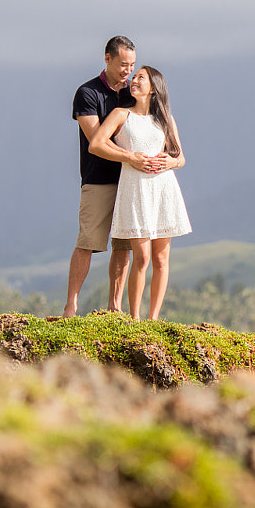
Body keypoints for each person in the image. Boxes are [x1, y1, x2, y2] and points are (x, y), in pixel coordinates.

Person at [87, 66, 190, 320]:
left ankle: (153, 318)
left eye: (140, 77)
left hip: (163, 189)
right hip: (135, 190)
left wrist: (170, 162)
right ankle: (135, 318)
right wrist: (129, 157)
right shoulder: (121, 114)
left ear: (154, 87)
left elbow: (181, 158)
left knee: (161, 258)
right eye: (134, 77)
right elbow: (96, 144)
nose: (133, 80)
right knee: (141, 257)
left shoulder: (164, 119)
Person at [62, 36, 155, 316]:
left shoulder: (133, 93)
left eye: (132, 65)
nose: (128, 71)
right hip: (97, 179)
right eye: (123, 64)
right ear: (107, 58)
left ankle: (114, 308)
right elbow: (96, 140)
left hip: (130, 180)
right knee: (87, 242)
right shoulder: (87, 93)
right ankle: (71, 306)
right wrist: (131, 157)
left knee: (123, 245)